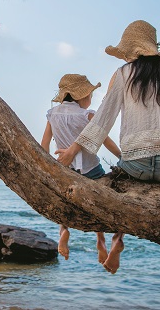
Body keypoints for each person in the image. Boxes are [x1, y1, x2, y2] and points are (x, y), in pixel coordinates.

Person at [55, 20, 160, 281]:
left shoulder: (123, 74)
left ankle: (118, 240)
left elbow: (102, 120)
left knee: (121, 187)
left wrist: (72, 152)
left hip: (137, 166)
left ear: (133, 52)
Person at [40, 74, 122, 263]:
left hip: (64, 168)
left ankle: (64, 232)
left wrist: (47, 166)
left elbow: (44, 143)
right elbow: (105, 140)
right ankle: (101, 239)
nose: (90, 99)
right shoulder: (87, 115)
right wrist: (121, 157)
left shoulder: (53, 114)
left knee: (65, 200)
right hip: (90, 169)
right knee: (102, 200)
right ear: (81, 96)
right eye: (89, 95)